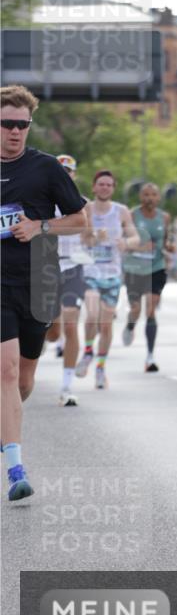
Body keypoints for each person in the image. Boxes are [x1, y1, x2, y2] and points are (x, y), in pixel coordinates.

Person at [0, 86, 86, 500]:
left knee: (24, 379)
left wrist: (40, 227)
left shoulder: (46, 168)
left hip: (38, 282)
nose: (15, 131)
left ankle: (6, 429)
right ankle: (16, 470)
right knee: (6, 371)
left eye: (23, 125)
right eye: (7, 124)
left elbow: (80, 220)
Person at [76, 171, 139, 389]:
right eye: (101, 184)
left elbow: (135, 237)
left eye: (109, 185)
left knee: (106, 324)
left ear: (113, 188)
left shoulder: (121, 211)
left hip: (112, 275)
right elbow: (83, 239)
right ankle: (87, 352)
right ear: (94, 187)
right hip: (90, 272)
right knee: (92, 314)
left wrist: (126, 243)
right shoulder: (86, 209)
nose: (104, 187)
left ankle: (100, 368)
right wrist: (95, 237)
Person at [45, 154, 90, 406]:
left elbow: (90, 237)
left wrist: (96, 238)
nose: (65, 174)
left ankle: (66, 386)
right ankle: (43, 340)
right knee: (52, 332)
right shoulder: (42, 200)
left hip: (73, 266)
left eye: (69, 171)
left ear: (74, 175)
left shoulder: (84, 204)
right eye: (61, 170)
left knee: (71, 325)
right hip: (47, 268)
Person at [122, 182, 174, 372]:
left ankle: (150, 356)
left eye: (153, 195)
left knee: (150, 309)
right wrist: (139, 246)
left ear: (158, 198)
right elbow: (123, 242)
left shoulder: (164, 217)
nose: (149, 198)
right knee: (136, 309)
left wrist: (169, 247)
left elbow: (165, 240)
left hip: (156, 267)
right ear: (140, 197)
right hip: (134, 268)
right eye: (146, 194)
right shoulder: (131, 215)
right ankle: (130, 325)